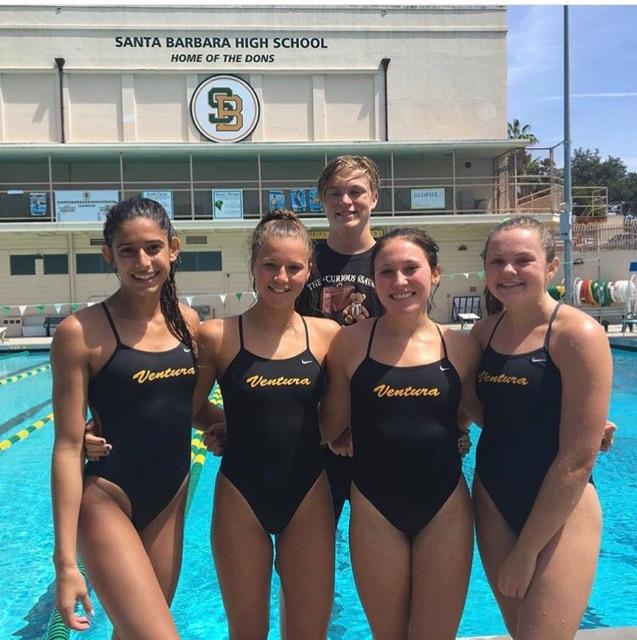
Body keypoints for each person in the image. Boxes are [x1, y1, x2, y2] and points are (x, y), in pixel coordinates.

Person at [320, 228, 480, 640]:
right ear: (374, 280)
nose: (399, 281)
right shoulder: (351, 343)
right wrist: (240, 425)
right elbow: (327, 425)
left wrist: (577, 426)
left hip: (445, 510)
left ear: (436, 273)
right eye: (386, 271)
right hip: (375, 511)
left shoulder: (460, 346)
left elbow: (486, 415)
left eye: (411, 269)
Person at [51, 197, 200, 637]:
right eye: (127, 251)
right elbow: (66, 445)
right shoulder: (81, 332)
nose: (143, 262)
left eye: (153, 248)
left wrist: (224, 424)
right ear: (108, 255)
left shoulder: (187, 325)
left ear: (173, 248)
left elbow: (184, 405)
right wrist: (64, 563)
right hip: (107, 499)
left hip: (170, 498)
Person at [192, 209, 339, 638]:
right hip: (240, 496)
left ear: (308, 271)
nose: (281, 276)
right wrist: (226, 425)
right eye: (270, 265)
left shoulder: (326, 334)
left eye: (294, 267)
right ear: (253, 267)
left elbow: (349, 405)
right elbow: (190, 407)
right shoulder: (218, 335)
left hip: (309, 494)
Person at [471, 215, 612, 640]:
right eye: (496, 261)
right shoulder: (481, 335)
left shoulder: (577, 334)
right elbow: (478, 411)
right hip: (493, 498)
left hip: (561, 505)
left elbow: (577, 458)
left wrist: (527, 551)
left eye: (522, 260)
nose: (508, 271)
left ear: (551, 267)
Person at [296, 154, 384, 524]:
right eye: (334, 193)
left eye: (355, 191)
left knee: (382, 551)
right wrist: (330, 426)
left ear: (375, 198)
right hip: (313, 427)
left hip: (376, 428)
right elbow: (285, 339)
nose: (345, 201)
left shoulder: (391, 259)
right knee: (304, 553)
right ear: (321, 200)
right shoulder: (302, 261)